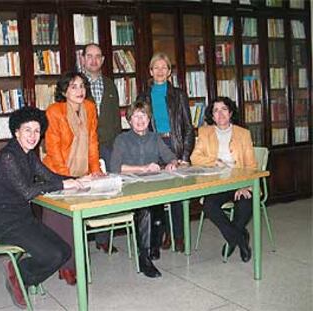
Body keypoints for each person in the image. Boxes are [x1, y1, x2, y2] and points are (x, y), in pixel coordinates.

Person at [0, 106, 83, 309]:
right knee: (54, 255)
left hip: (25, 220)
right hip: (7, 225)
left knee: (65, 251)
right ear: (16, 132)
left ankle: (19, 273)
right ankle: (19, 275)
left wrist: (79, 180)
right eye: (27, 130)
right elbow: (27, 192)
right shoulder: (8, 157)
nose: (33, 136)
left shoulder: (28, 154)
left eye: (37, 131)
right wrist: (62, 185)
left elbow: (49, 176)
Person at [43, 71, 102, 285]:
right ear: (64, 91)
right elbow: (54, 148)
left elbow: (93, 141)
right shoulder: (54, 111)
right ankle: (66, 266)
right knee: (62, 220)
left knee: (76, 218)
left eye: (82, 86)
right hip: (56, 173)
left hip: (82, 172)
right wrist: (66, 180)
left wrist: (94, 169)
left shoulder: (89, 108)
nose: (79, 91)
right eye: (74, 86)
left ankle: (71, 263)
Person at [110, 100, 178, 278]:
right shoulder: (122, 139)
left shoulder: (155, 138)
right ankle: (144, 257)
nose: (140, 120)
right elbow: (115, 167)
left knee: (158, 204)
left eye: (144, 116)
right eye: (136, 116)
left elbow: (171, 157)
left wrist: (171, 163)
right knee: (146, 209)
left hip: (152, 185)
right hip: (129, 186)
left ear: (149, 119)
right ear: (129, 120)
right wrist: (143, 168)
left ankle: (154, 245)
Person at [137, 52, 195, 258]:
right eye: (156, 67)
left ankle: (178, 236)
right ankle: (163, 235)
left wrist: (185, 155)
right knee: (158, 194)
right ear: (151, 71)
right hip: (153, 146)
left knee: (177, 194)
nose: (160, 71)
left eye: (164, 67)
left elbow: (188, 127)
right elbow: (138, 126)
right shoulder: (143, 96)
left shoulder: (179, 95)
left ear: (169, 72)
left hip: (174, 144)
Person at [190, 97, 256, 262]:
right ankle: (240, 238)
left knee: (245, 202)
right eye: (216, 110)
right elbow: (194, 158)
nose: (220, 114)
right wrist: (214, 161)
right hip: (217, 184)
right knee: (208, 205)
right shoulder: (205, 132)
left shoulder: (243, 133)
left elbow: (251, 165)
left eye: (224, 109)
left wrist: (245, 185)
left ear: (231, 112)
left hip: (239, 182)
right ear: (212, 116)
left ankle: (233, 237)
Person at [81, 43, 122, 252]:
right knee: (83, 191)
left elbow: (116, 119)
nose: (94, 60)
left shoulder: (110, 84)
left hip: (107, 146)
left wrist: (117, 146)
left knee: (106, 191)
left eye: (98, 56)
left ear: (103, 60)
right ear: (82, 59)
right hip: (81, 149)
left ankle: (103, 240)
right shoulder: (75, 84)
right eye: (89, 56)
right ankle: (78, 242)